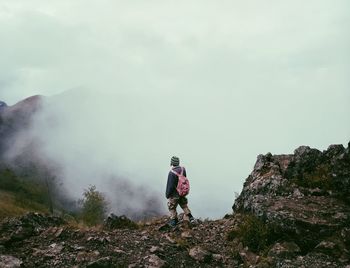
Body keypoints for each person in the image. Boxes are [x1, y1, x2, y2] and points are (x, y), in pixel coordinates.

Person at [166, 156, 194, 227]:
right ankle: (191, 218)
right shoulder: (183, 169)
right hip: (182, 193)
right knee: (184, 205)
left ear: (172, 163)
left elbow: (170, 185)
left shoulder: (171, 173)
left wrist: (167, 194)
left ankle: (174, 221)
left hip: (174, 194)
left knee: (171, 207)